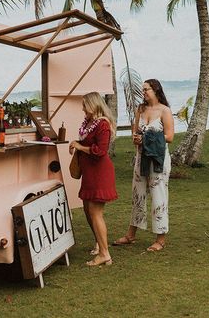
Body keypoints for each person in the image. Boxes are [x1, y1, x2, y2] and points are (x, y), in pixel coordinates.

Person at [113, 78, 174, 252]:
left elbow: (169, 137)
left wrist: (146, 137)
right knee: (137, 195)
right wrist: (136, 138)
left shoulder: (164, 111)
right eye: (143, 90)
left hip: (157, 160)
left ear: (155, 90)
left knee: (158, 197)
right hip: (141, 158)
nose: (144, 92)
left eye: (146, 89)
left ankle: (160, 238)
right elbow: (135, 132)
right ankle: (131, 234)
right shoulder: (140, 109)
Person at [69, 92, 118, 267]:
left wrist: (80, 146)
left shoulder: (102, 124)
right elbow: (87, 141)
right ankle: (99, 242)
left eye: (84, 105)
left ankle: (105, 254)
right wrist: (77, 144)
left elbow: (100, 151)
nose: (82, 108)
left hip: (99, 172)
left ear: (93, 105)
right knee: (87, 209)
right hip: (89, 172)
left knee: (96, 212)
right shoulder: (88, 123)